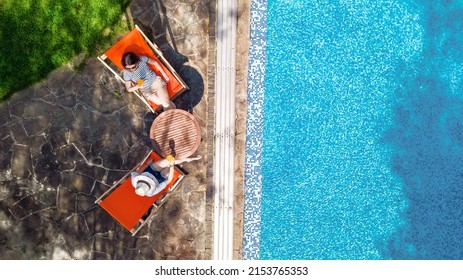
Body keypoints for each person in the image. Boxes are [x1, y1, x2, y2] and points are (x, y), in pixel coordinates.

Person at [131, 155, 201, 197]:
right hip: (159, 179)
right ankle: (187, 159)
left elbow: (136, 172)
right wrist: (171, 166)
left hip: (150, 171)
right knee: (169, 163)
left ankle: (187, 159)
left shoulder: (134, 180)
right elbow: (169, 180)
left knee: (167, 161)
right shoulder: (152, 192)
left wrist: (147, 165)